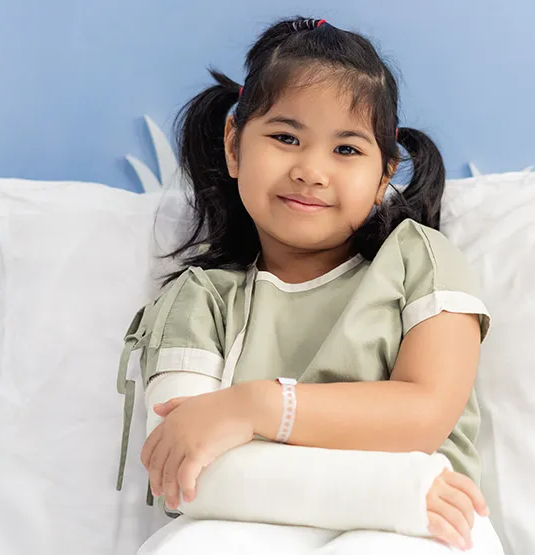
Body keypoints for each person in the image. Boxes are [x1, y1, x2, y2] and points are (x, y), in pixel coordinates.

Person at [114, 16, 505, 555]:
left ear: (384, 174)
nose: (311, 171)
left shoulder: (420, 260)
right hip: (300, 514)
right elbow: (184, 472)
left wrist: (252, 406)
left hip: (424, 522)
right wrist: (389, 491)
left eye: (346, 150)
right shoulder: (199, 300)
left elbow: (423, 415)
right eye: (285, 137)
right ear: (234, 144)